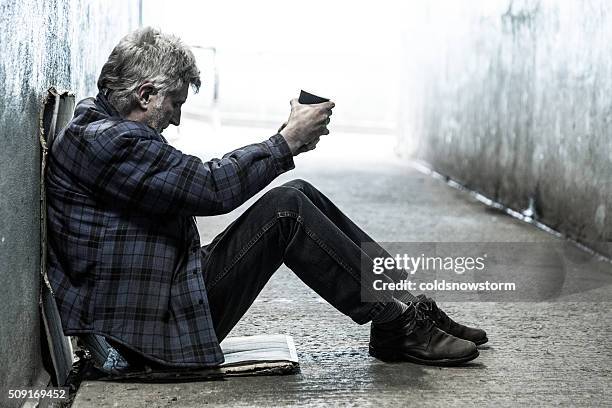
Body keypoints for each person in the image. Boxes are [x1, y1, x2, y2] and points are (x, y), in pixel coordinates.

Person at [46, 27, 486, 375]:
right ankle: (398, 323)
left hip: (161, 293)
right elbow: (210, 186)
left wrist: (282, 144)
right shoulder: (110, 141)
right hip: (148, 330)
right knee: (285, 212)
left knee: (296, 194)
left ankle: (403, 308)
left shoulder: (99, 126)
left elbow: (191, 179)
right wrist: (285, 142)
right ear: (145, 94)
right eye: (175, 103)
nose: (177, 117)